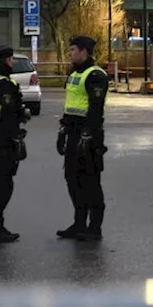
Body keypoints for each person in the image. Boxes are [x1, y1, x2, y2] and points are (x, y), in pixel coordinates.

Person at [55, 34, 110, 241]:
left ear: (84, 51)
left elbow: (95, 110)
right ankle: (79, 223)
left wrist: (87, 135)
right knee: (72, 179)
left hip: (90, 137)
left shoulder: (96, 75)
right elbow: (71, 105)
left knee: (90, 182)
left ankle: (94, 227)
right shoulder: (74, 73)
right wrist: (63, 131)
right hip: (73, 133)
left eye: (73, 50)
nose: (69, 53)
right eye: (69, 50)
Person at [0, 44, 29, 243]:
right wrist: (17, 136)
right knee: (3, 185)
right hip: (3, 135)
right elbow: (10, 112)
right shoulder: (4, 84)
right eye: (12, 59)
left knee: (1, 182)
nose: (13, 62)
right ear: (7, 60)